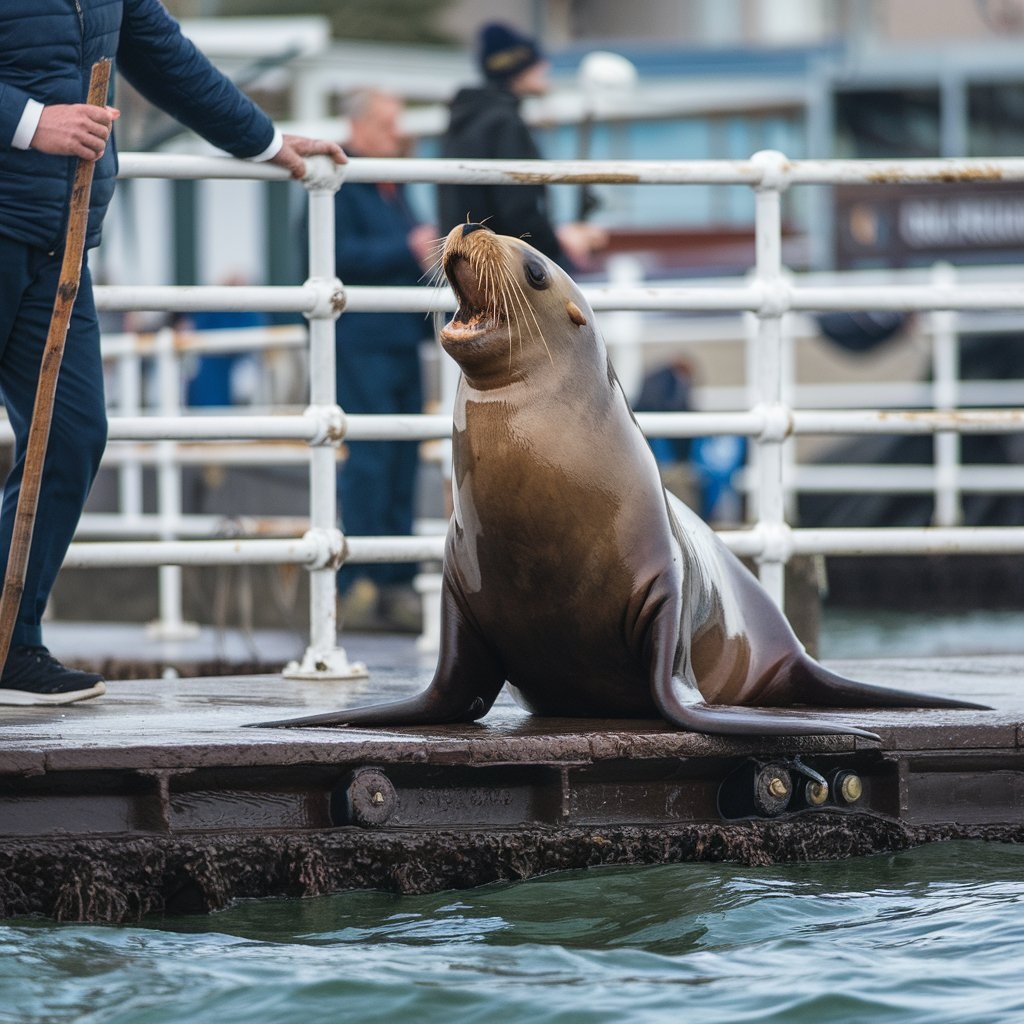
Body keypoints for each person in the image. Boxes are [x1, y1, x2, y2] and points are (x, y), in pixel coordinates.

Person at [0, 1, 345, 706]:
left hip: (57, 244)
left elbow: (165, 57)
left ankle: (7, 641)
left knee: (72, 436)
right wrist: (32, 122)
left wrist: (267, 142)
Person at [330, 89, 436, 632]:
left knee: (401, 458)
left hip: (397, 336)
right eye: (390, 126)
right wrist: (410, 249)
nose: (398, 136)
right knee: (372, 457)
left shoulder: (391, 184)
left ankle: (391, 579)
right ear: (362, 128)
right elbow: (334, 254)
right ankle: (363, 581)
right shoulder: (342, 179)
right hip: (365, 339)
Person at [437, 21, 606, 271]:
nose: (546, 66)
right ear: (517, 70)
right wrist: (559, 245)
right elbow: (518, 212)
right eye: (536, 63)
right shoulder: (504, 123)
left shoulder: (469, 119)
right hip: (506, 270)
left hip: (474, 267)